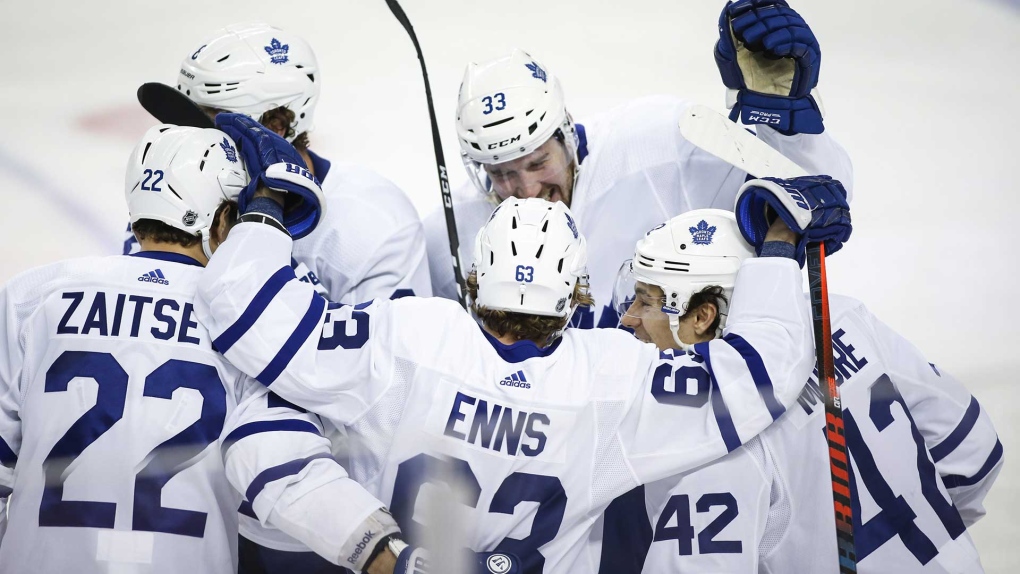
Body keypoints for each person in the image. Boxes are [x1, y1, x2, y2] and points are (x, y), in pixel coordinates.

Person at [194, 114, 853, 573]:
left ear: (475, 277)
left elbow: (247, 310)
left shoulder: (409, 334)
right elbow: (765, 367)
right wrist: (776, 244)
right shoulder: (613, 378)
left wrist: (270, 204)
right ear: (577, 295)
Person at [0, 125, 408, 574]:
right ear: (220, 221)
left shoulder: (31, 298)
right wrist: (388, 557)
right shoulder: (242, 324)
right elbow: (285, 470)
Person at [599, 208, 1003, 573]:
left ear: (703, 316)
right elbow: (976, 453)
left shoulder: (713, 435)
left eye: (646, 301)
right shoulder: (840, 318)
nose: (629, 319)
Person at [425, 0, 853, 329]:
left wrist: (787, 124)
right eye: (502, 174)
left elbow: (815, 198)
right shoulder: (452, 237)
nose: (527, 189)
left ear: (566, 134)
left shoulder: (657, 145)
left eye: (538, 163)